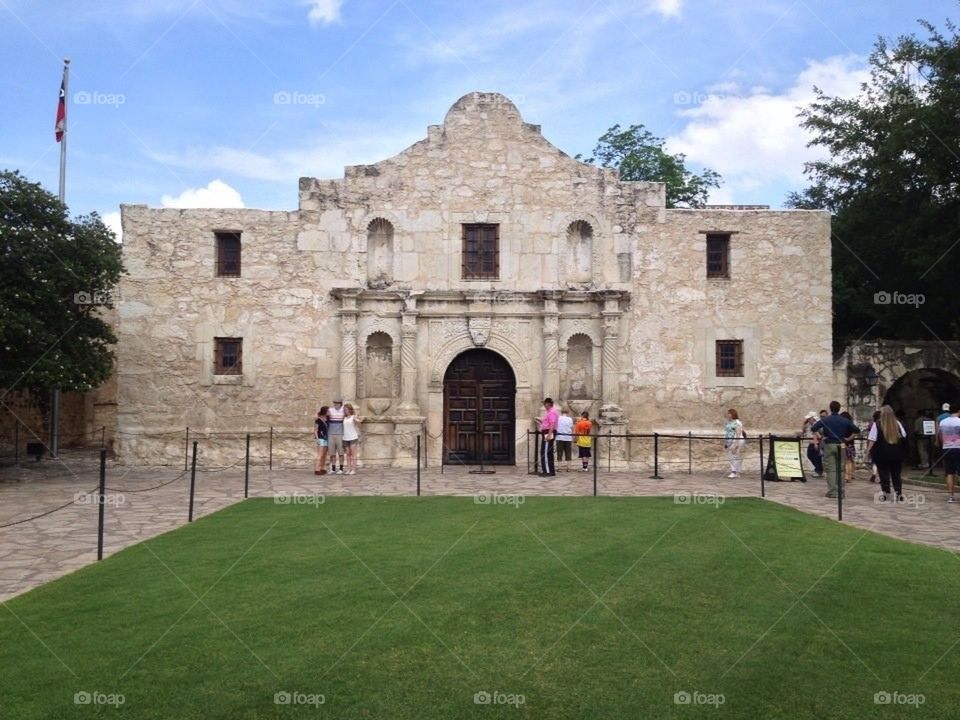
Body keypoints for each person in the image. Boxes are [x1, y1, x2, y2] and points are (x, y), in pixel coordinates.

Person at [811, 401, 860, 499]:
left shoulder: (826, 419)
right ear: (839, 408)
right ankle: (841, 491)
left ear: (830, 408)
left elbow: (813, 428)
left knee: (831, 470)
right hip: (841, 444)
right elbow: (857, 430)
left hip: (829, 444)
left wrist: (820, 436)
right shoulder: (844, 420)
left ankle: (832, 491)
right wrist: (849, 438)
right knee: (841, 469)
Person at [867, 405, 907, 502]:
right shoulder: (897, 423)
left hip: (882, 453)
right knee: (896, 475)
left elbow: (872, 439)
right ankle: (898, 493)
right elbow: (904, 435)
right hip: (896, 453)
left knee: (884, 474)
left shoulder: (877, 424)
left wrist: (868, 451)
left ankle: (886, 494)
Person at [938, 404, 960, 503]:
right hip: (958, 448)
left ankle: (951, 496)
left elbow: (940, 436)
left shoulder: (943, 422)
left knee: (949, 473)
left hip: (946, 448)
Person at [538, 397, 558, 477]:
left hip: (548, 432)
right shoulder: (550, 412)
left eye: (544, 404)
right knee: (548, 452)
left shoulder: (552, 412)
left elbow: (552, 424)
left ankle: (547, 471)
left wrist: (549, 435)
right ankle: (550, 470)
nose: (544, 405)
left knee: (545, 452)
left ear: (548, 404)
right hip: (547, 431)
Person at [723, 408, 745, 479]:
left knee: (733, 455)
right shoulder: (729, 422)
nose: (728, 415)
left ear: (733, 414)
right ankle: (737, 471)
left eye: (729, 413)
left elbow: (738, 433)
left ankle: (734, 472)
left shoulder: (737, 422)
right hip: (730, 440)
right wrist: (726, 442)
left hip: (736, 440)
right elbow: (727, 432)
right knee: (732, 455)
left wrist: (735, 443)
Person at [342, 403, 363, 475]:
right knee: (348, 454)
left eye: (346, 409)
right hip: (345, 437)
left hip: (353, 437)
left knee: (353, 454)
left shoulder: (353, 417)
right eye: (344, 410)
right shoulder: (344, 418)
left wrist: (357, 421)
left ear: (350, 410)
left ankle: (353, 469)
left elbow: (359, 425)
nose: (345, 411)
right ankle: (348, 469)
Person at [802, 411, 823, 478]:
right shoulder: (808, 425)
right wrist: (804, 424)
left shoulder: (817, 424)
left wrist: (816, 443)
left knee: (817, 457)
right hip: (811, 443)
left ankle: (819, 470)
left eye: (809, 418)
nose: (808, 420)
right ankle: (818, 469)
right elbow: (803, 431)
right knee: (810, 455)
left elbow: (817, 434)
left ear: (813, 418)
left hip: (816, 443)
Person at [327, 398, 346, 474]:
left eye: (338, 403)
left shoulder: (343, 410)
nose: (336, 405)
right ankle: (333, 468)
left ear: (341, 403)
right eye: (335, 403)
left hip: (340, 434)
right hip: (331, 434)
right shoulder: (330, 410)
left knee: (341, 453)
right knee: (332, 453)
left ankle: (341, 468)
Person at [840, 411, 857, 483]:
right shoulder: (851, 424)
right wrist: (850, 438)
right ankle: (852, 474)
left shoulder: (844, 425)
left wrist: (848, 438)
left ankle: (847, 477)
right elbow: (855, 432)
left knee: (847, 461)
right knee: (851, 460)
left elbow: (855, 432)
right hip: (851, 444)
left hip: (845, 444)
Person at [864, 410, 881, 483]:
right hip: (882, 445)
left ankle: (874, 473)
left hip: (874, 444)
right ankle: (879, 476)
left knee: (874, 461)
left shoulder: (872, 424)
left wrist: (867, 450)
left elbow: (870, 436)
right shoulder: (884, 423)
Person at [556, 407, 574, 472]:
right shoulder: (570, 419)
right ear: (568, 412)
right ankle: (568, 468)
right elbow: (572, 428)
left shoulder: (558, 418)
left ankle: (559, 467)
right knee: (568, 453)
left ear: (561, 412)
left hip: (559, 437)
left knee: (559, 452)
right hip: (568, 437)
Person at [314, 406, 329, 475]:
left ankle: (322, 468)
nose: (329, 412)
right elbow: (316, 430)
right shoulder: (318, 420)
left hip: (326, 438)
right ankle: (317, 469)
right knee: (320, 454)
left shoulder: (327, 419)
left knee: (324, 454)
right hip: (320, 438)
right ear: (324, 412)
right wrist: (317, 439)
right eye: (328, 411)